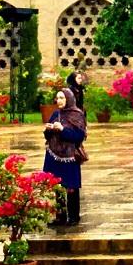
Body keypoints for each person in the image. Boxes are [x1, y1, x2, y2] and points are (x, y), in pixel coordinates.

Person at [44, 86, 88, 227]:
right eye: (57, 98)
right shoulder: (56, 114)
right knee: (58, 187)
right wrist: (49, 129)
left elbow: (78, 136)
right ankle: (60, 217)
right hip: (54, 154)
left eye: (62, 98)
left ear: (68, 99)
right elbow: (47, 136)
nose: (59, 100)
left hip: (69, 156)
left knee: (71, 187)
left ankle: (74, 217)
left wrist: (62, 130)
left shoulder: (77, 115)